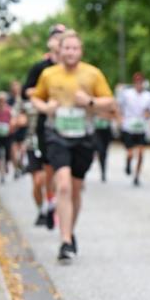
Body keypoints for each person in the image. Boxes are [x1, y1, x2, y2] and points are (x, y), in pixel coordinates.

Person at [31, 29, 114, 263]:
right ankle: (65, 240)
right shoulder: (49, 74)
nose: (70, 52)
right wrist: (46, 108)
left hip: (83, 136)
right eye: (67, 48)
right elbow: (36, 97)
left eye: (75, 48)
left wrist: (90, 101)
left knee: (75, 190)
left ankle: (70, 231)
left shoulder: (92, 73)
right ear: (60, 50)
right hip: (56, 134)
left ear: (81, 51)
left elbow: (109, 102)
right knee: (64, 185)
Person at [23, 25, 66, 228]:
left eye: (62, 37)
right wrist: (44, 95)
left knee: (58, 173)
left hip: (63, 126)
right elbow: (26, 92)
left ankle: (52, 205)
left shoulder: (71, 68)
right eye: (56, 37)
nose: (59, 41)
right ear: (50, 42)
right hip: (39, 126)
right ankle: (44, 207)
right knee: (39, 178)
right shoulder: (40, 68)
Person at [119, 72, 150, 187]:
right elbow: (119, 107)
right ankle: (128, 163)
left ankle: (137, 176)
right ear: (134, 82)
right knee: (130, 153)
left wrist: (148, 114)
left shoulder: (148, 96)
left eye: (141, 82)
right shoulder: (127, 94)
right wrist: (120, 119)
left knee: (140, 153)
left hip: (141, 127)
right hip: (129, 126)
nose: (139, 84)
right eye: (137, 82)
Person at [0, 92, 14, 184]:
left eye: (3, 100)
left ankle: (6, 165)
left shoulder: (9, 110)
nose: (1, 102)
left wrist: (10, 128)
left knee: (8, 152)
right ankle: (1, 174)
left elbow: (13, 119)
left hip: (7, 134)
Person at [7, 79, 27, 179]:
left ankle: (20, 164)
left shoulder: (24, 99)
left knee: (23, 149)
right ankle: (16, 169)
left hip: (23, 127)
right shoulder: (9, 100)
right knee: (13, 150)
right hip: (13, 127)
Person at [93, 101, 116, 182]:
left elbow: (114, 114)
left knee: (103, 153)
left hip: (106, 132)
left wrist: (104, 115)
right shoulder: (93, 101)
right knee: (99, 150)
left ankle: (103, 172)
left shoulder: (109, 102)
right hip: (96, 131)